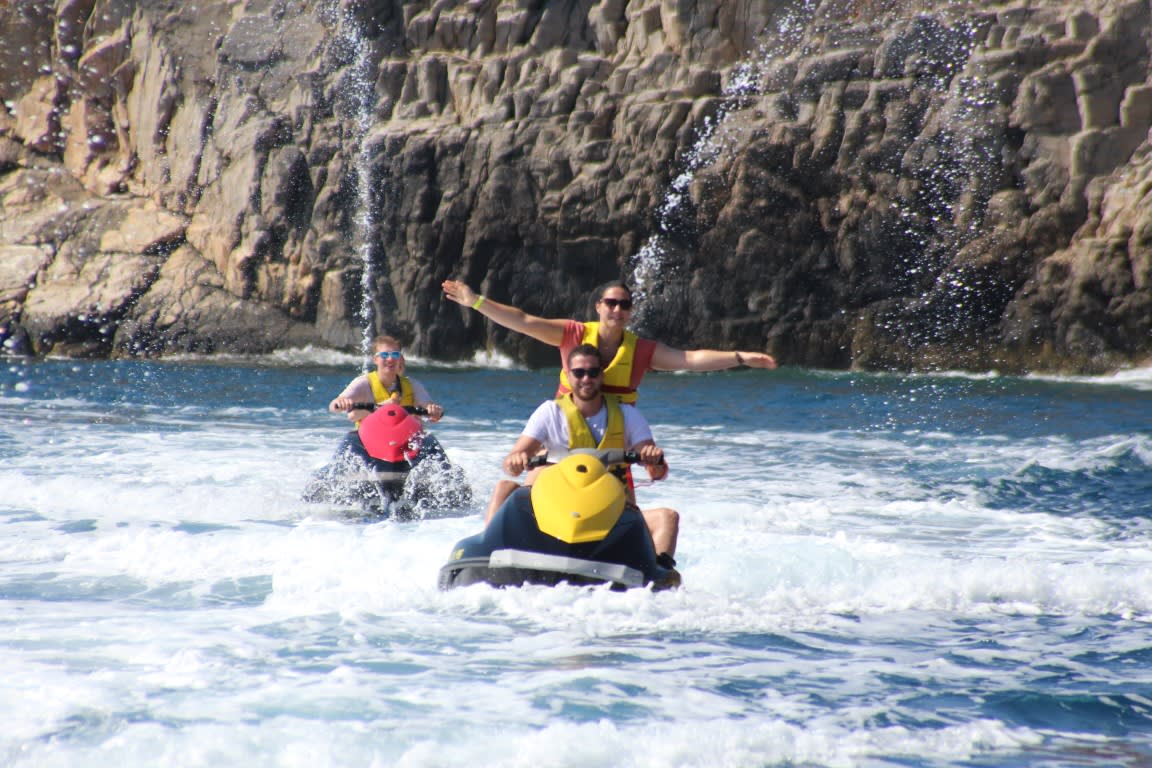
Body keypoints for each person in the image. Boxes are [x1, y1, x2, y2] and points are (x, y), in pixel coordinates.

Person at [443, 278, 777, 404]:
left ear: (631, 313)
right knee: (529, 485)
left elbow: (689, 359)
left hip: (614, 442)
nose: (618, 309)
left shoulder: (642, 351)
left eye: (625, 305)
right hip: (566, 428)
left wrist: (740, 357)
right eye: (611, 303)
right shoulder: (572, 334)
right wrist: (475, 302)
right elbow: (522, 320)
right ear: (599, 307)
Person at [488, 344, 679, 560]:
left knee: (667, 517)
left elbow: (656, 472)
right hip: (552, 507)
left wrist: (654, 460)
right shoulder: (550, 412)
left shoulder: (628, 415)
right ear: (568, 376)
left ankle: (660, 574)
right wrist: (516, 460)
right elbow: (513, 462)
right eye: (579, 373)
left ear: (602, 375)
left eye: (593, 372)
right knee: (505, 487)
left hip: (609, 514)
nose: (586, 379)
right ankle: (487, 550)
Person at [329, 335, 444, 424]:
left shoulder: (413, 385)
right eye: (384, 355)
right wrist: (340, 402)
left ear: (399, 359)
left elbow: (428, 405)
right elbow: (333, 407)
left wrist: (434, 411)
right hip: (370, 439)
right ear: (376, 359)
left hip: (406, 441)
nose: (390, 359)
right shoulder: (363, 383)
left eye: (394, 355)